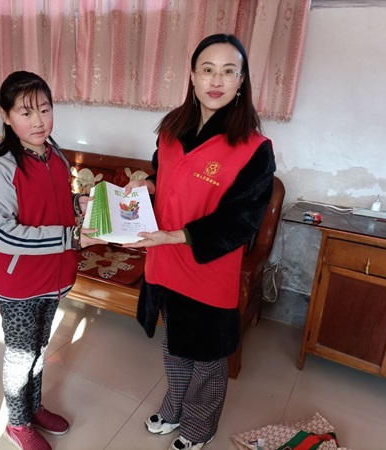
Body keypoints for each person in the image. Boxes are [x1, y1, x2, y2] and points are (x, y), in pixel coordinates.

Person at [124, 34, 276, 450]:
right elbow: (165, 176)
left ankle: (199, 426)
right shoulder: (172, 129)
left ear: (241, 81)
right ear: (192, 76)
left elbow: (242, 220)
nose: (217, 80)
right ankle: (174, 407)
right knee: (175, 344)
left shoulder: (254, 149)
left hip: (208, 269)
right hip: (164, 261)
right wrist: (147, 184)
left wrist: (175, 235)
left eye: (229, 72)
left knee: (207, 357)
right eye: (208, 70)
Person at [0, 70, 103, 450]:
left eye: (45, 110)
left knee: (38, 349)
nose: (38, 121)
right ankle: (17, 424)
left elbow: (54, 203)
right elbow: (0, 232)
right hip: (19, 285)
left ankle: (33, 408)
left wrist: (79, 203)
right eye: (26, 112)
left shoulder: (55, 155)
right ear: (5, 115)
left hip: (54, 277)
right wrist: (70, 238)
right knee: (20, 356)